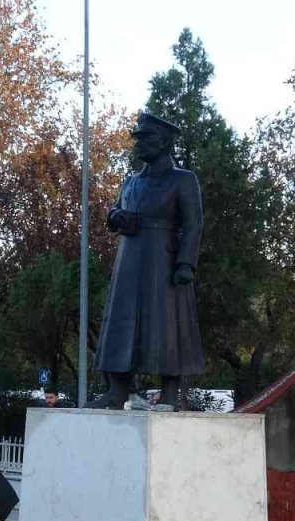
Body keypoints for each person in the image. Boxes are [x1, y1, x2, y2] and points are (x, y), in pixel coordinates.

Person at [89, 112, 203, 410]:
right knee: (121, 321)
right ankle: (118, 390)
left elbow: (193, 223)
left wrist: (185, 264)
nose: (139, 145)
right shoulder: (131, 182)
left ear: (164, 143)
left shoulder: (183, 179)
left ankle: (169, 393)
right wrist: (116, 217)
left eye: (147, 139)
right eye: (137, 139)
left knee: (166, 323)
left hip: (162, 258)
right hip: (129, 258)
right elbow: (113, 211)